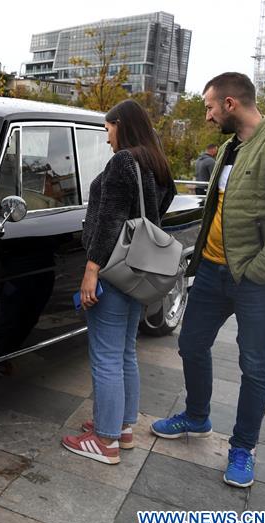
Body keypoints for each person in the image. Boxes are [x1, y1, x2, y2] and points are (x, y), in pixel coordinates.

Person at [151, 72, 265, 488]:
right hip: (212, 271)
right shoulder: (231, 148)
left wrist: (256, 271)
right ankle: (197, 418)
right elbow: (217, 208)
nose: (209, 116)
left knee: (255, 366)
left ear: (231, 104)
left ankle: (243, 447)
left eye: (211, 107)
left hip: (258, 281)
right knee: (191, 344)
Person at [62, 99, 176, 464]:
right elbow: (164, 203)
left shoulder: (123, 161)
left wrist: (90, 272)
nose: (106, 136)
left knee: (106, 357)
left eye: (108, 128)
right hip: (138, 272)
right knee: (125, 352)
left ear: (121, 125)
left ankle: (105, 440)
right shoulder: (155, 162)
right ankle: (123, 428)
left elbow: (111, 219)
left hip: (113, 270)